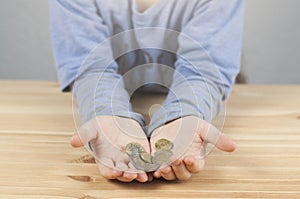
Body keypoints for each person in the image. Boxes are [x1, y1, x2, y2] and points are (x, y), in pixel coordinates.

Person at [49, 0, 244, 182]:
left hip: (201, 92)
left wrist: (185, 113)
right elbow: (90, 67)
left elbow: (203, 70)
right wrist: (107, 112)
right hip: (113, 95)